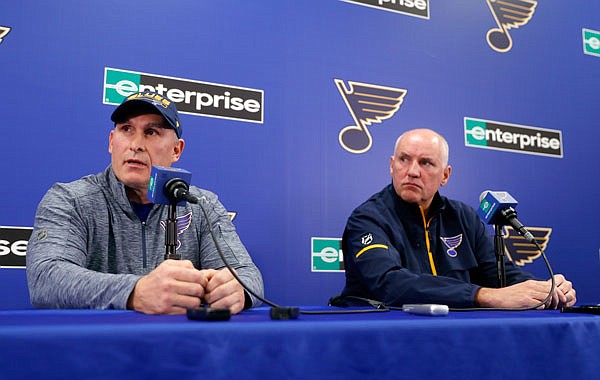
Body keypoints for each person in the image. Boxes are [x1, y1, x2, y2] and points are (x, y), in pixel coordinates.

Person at [26, 91, 263, 315]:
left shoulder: (203, 205)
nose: (135, 144)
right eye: (126, 129)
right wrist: (136, 292)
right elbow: (45, 278)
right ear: (111, 142)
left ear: (176, 150)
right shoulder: (70, 199)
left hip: (181, 350)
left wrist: (236, 290)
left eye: (151, 132)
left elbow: (247, 275)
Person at [334, 128, 576, 309]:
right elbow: (389, 284)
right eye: (404, 159)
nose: (412, 171)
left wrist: (545, 289)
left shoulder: (463, 216)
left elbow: (498, 275)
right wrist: (483, 295)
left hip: (454, 331)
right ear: (391, 165)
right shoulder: (368, 218)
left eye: (426, 162)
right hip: (385, 334)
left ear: (445, 175)